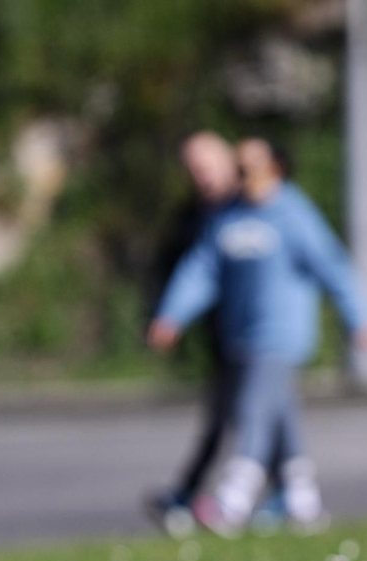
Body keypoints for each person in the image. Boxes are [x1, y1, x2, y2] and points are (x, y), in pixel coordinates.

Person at [149, 138, 367, 535]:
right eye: (238, 168)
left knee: (253, 410)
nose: (242, 176)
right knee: (281, 417)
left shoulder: (294, 214)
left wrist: (360, 318)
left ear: (275, 168)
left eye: (250, 168)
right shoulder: (228, 218)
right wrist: (172, 314)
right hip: (240, 335)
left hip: (281, 335)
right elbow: (201, 270)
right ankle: (302, 502)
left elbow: (332, 266)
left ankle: (233, 502)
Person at [144, 131, 242, 536]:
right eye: (193, 170)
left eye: (205, 167)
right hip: (222, 332)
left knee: (257, 415)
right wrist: (169, 316)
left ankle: (208, 495)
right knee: (230, 415)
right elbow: (189, 272)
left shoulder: (250, 207)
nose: (201, 177)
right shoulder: (194, 216)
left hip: (260, 332)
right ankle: (192, 493)